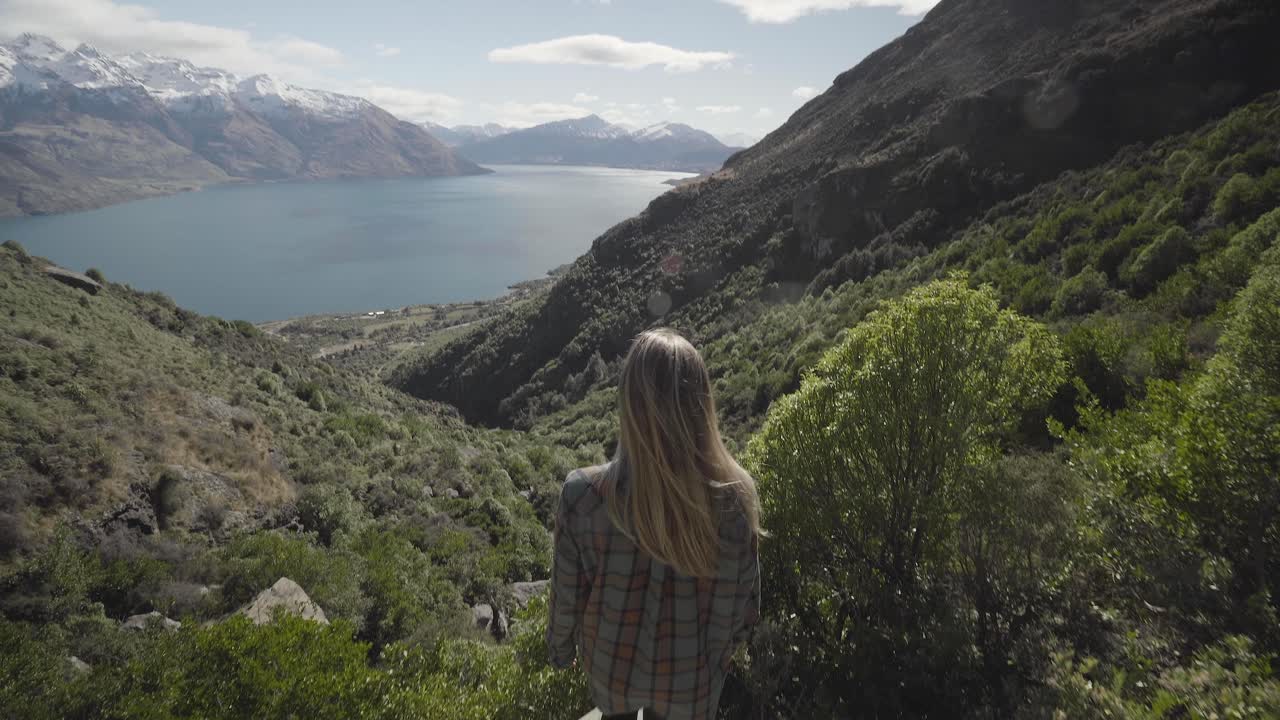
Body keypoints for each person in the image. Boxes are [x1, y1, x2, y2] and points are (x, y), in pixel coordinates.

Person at [547, 328, 762, 720]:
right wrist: (722, 654)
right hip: (692, 683)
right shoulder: (734, 501)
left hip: (612, 672)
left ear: (629, 404)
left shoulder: (582, 496)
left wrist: (561, 652)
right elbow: (742, 606)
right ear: (702, 407)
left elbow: (567, 595)